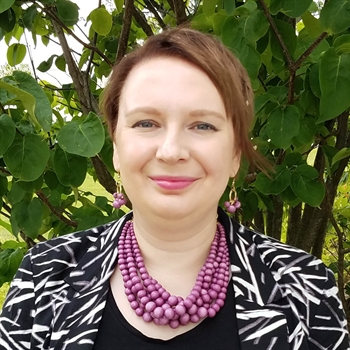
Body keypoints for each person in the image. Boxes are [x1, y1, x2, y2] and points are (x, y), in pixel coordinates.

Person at [0, 28, 349, 350]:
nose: (171, 151)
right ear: (117, 148)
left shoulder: (303, 288)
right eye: (146, 123)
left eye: (202, 125)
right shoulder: (44, 277)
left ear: (234, 155)